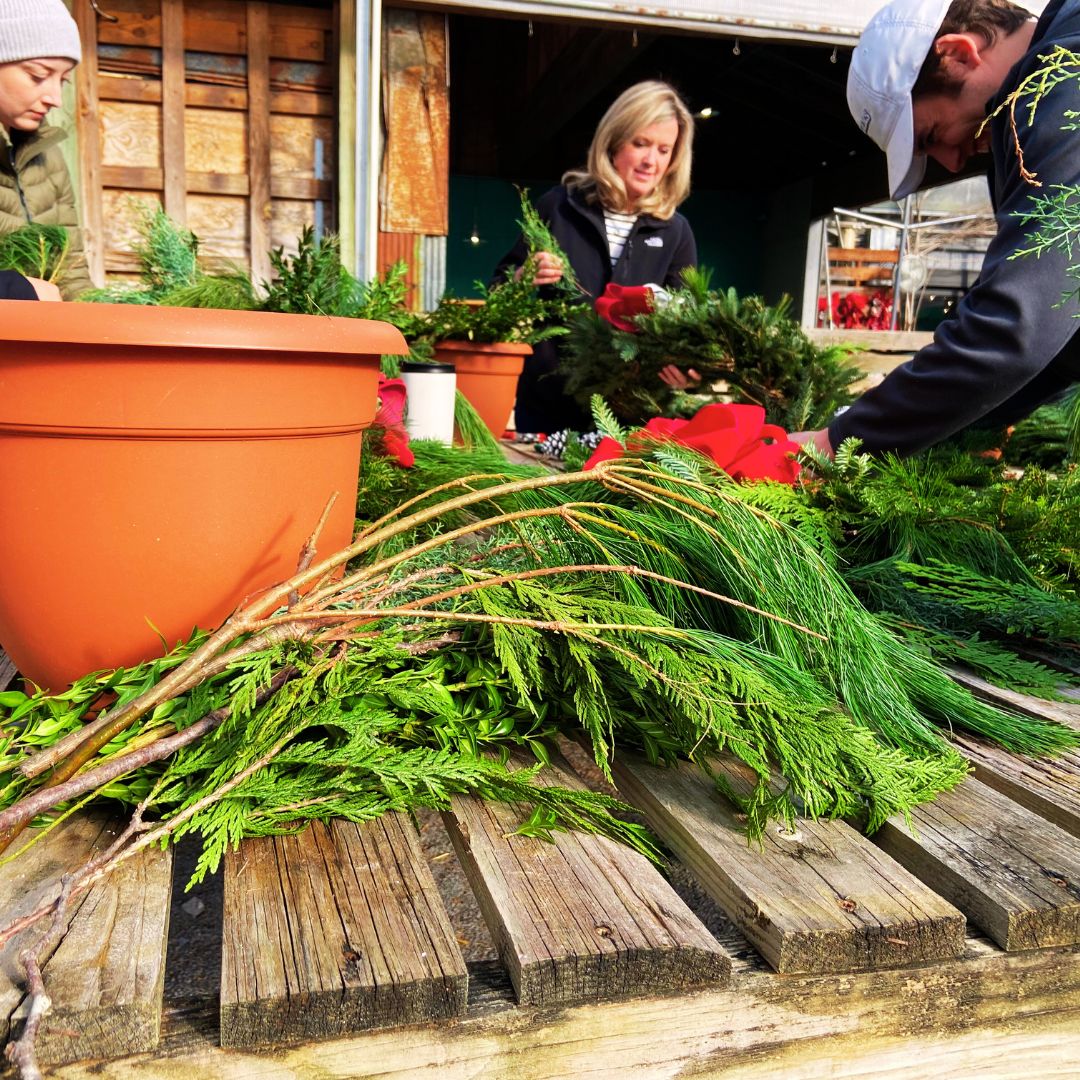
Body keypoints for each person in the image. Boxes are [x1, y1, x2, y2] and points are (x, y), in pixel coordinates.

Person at [793, 0, 1080, 459]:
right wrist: (912, 430)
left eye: (930, 136)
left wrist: (839, 443)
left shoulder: (1061, 85)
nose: (950, 162)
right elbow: (1062, 340)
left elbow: (1018, 324)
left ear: (959, 55)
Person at [493, 80, 699, 435]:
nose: (652, 160)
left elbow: (690, 326)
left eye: (664, 150)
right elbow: (498, 293)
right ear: (614, 141)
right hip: (548, 409)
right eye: (641, 144)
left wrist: (688, 371)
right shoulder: (558, 208)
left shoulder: (675, 231)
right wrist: (524, 276)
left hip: (629, 420)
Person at [0, 0, 91, 298]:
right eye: (38, 76)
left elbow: (72, 275)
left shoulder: (48, 154)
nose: (55, 98)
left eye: (62, 81)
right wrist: (18, 292)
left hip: (39, 339)